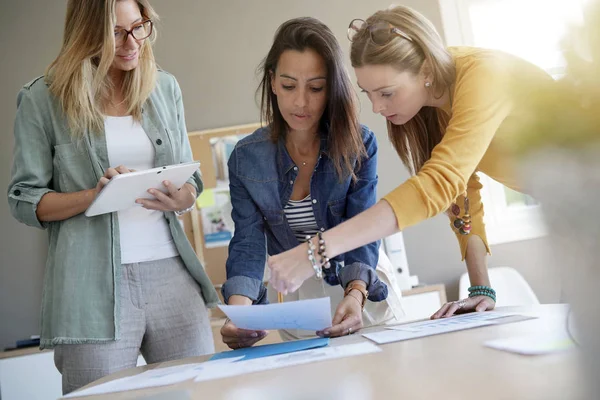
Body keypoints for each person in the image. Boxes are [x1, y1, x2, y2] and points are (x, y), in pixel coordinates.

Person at [267, 5, 553, 318]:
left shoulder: (484, 76)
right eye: (368, 93)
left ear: (426, 71)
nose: (376, 107)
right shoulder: (434, 101)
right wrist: (480, 289)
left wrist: (316, 250)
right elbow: (462, 192)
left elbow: (440, 183)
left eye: (386, 93)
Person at [7, 0, 218, 393]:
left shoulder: (164, 86)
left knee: (195, 393)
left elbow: (194, 182)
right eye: (115, 33)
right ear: (86, 34)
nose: (131, 42)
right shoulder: (43, 99)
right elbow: (23, 199)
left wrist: (183, 198)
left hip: (172, 275)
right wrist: (94, 195)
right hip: (90, 288)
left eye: (139, 27)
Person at [220, 17, 405, 349]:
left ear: (331, 88)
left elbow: (362, 226)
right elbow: (247, 243)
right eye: (289, 86)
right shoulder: (246, 158)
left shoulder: (360, 144)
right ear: (273, 82)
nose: (301, 102)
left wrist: (356, 295)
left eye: (316, 87)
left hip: (362, 289)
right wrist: (239, 316)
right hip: (300, 304)